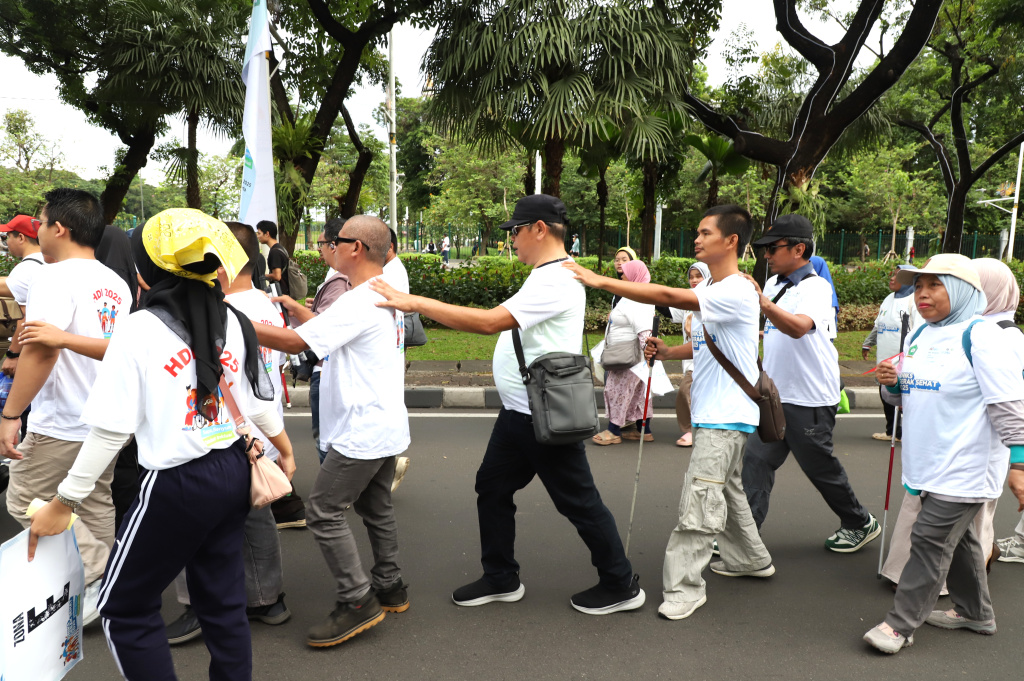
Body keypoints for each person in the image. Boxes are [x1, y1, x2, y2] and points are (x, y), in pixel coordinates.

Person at [26, 207, 294, 680]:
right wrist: (284, 448)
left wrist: (64, 500)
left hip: (175, 483)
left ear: (145, 273)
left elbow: (111, 428)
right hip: (232, 469)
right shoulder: (231, 321)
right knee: (223, 602)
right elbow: (252, 400)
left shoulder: (140, 328)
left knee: (123, 605)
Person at [372, 194, 645, 616]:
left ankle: (620, 582)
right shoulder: (546, 274)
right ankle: (501, 577)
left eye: (515, 231)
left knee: (579, 501)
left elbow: (488, 322)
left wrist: (415, 303)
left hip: (543, 416)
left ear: (538, 228)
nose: (511, 240)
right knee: (493, 487)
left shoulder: (555, 279)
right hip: (521, 412)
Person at [565, 204, 774, 621]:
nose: (697, 239)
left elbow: (664, 295)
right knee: (727, 492)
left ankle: (684, 588)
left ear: (731, 240)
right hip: (725, 414)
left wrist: (598, 279)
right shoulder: (722, 288)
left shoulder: (733, 289)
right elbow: (712, 345)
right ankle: (751, 559)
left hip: (722, 417)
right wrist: (668, 351)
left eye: (705, 233)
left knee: (699, 503)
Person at [252, 215, 410, 647]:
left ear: (355, 248)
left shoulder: (360, 301)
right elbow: (317, 331)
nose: (328, 247)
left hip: (362, 428)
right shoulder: (383, 291)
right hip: (385, 423)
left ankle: (357, 600)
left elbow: (297, 342)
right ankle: (390, 585)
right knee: (376, 509)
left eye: (332, 241)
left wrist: (231, 323)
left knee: (322, 510)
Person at [865, 254, 1024, 654]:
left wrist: (1020, 462)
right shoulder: (921, 335)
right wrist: (892, 386)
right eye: (918, 286)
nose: (922, 294)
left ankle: (899, 625)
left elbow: (1008, 403)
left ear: (963, 291)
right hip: (926, 464)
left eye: (934, 285)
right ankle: (976, 613)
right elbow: (910, 397)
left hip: (966, 468)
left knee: (929, 541)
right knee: (965, 542)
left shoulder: (983, 335)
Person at [0, 189, 133, 625]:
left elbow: (42, 352)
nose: (37, 231)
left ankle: (99, 575)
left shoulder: (52, 278)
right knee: (94, 503)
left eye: (40, 223)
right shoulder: (114, 281)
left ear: (60, 228)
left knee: (22, 497)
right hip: (106, 418)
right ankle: (106, 589)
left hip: (62, 420)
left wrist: (10, 414)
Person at [163, 220, 295, 645]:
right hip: (256, 433)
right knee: (253, 520)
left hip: (219, 432)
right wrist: (283, 446)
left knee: (192, 523)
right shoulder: (263, 304)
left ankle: (197, 607)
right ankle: (266, 599)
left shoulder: (221, 313)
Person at [744, 214, 880, 552]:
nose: (767, 255)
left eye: (772, 248)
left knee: (820, 469)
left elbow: (798, 327)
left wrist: (761, 301)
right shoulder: (776, 284)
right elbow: (777, 327)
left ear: (798, 248)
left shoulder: (816, 286)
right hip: (776, 395)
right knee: (757, 460)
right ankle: (745, 534)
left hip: (810, 399)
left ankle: (859, 522)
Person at [592, 259, 657, 445]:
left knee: (617, 390)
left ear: (635, 276)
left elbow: (643, 328)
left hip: (628, 354)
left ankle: (614, 431)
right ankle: (643, 430)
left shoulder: (637, 299)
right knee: (639, 392)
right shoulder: (634, 295)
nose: (622, 276)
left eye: (625, 274)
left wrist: (647, 350)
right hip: (632, 353)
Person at [862, 265, 922, 442]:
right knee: (885, 394)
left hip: (904, 362)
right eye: (893, 274)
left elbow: (919, 332)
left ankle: (911, 434)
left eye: (897, 276)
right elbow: (878, 325)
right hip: (884, 359)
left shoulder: (914, 301)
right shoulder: (888, 299)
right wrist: (868, 343)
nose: (892, 278)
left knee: (906, 400)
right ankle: (892, 431)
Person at [670, 262, 710, 448]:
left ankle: (690, 429)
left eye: (698, 276)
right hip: (690, 358)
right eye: (691, 276)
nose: (694, 280)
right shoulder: (688, 298)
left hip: (705, 358)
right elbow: (668, 307)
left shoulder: (712, 297)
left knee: (685, 390)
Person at [384, 228, 411, 491]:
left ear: (389, 247)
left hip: (387, 354)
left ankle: (388, 468)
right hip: (392, 351)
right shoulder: (393, 270)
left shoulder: (389, 274)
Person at [257, 220, 290, 297]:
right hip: (285, 291)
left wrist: (263, 275)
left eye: (259, 233)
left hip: (280, 293)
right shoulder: (281, 248)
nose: (258, 236)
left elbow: (277, 276)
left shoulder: (275, 252)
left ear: (267, 234)